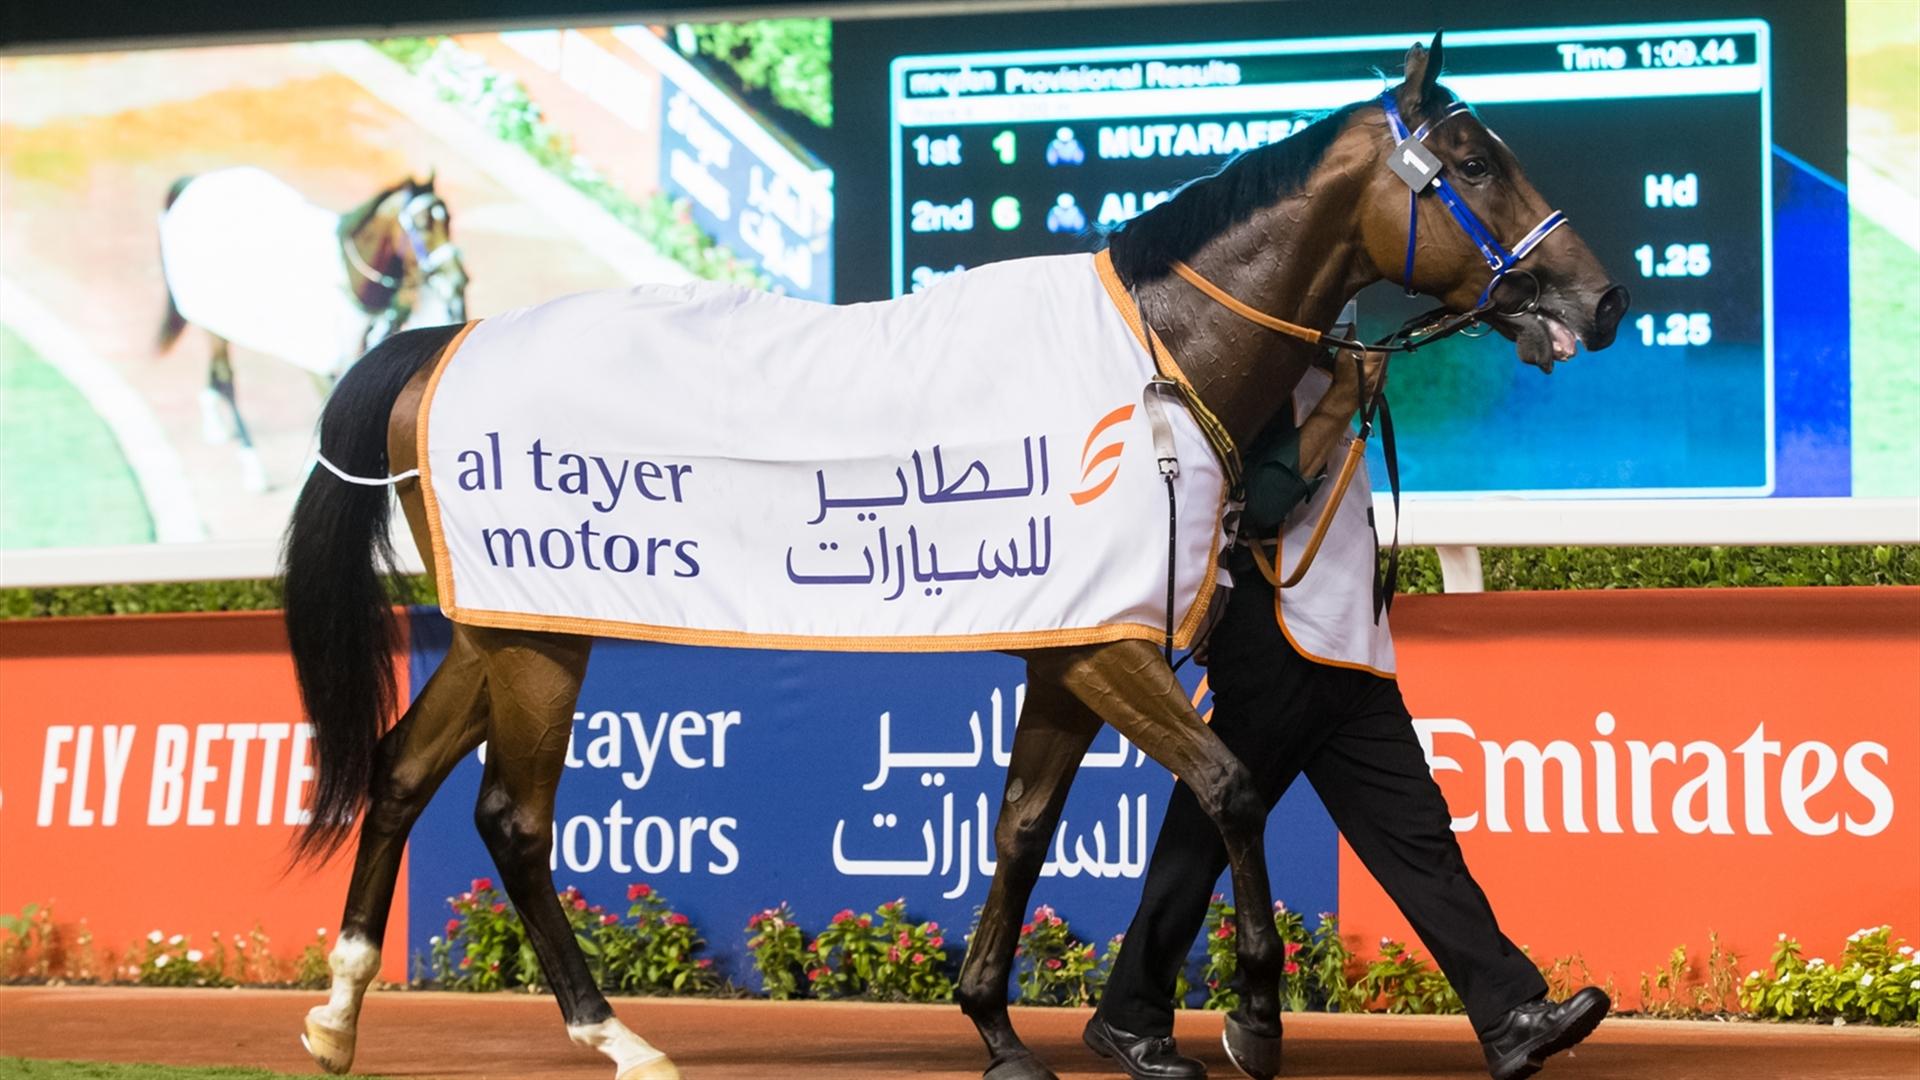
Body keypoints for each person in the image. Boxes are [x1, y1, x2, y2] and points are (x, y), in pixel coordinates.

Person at [1082, 355, 1609, 1080]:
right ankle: (1129, 1012)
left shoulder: (1322, 373)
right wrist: (1345, 397)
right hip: (1277, 647)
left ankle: (1510, 1016)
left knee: (1418, 838)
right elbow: (1265, 503)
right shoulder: (1256, 376)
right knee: (1204, 834)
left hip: (1351, 655)